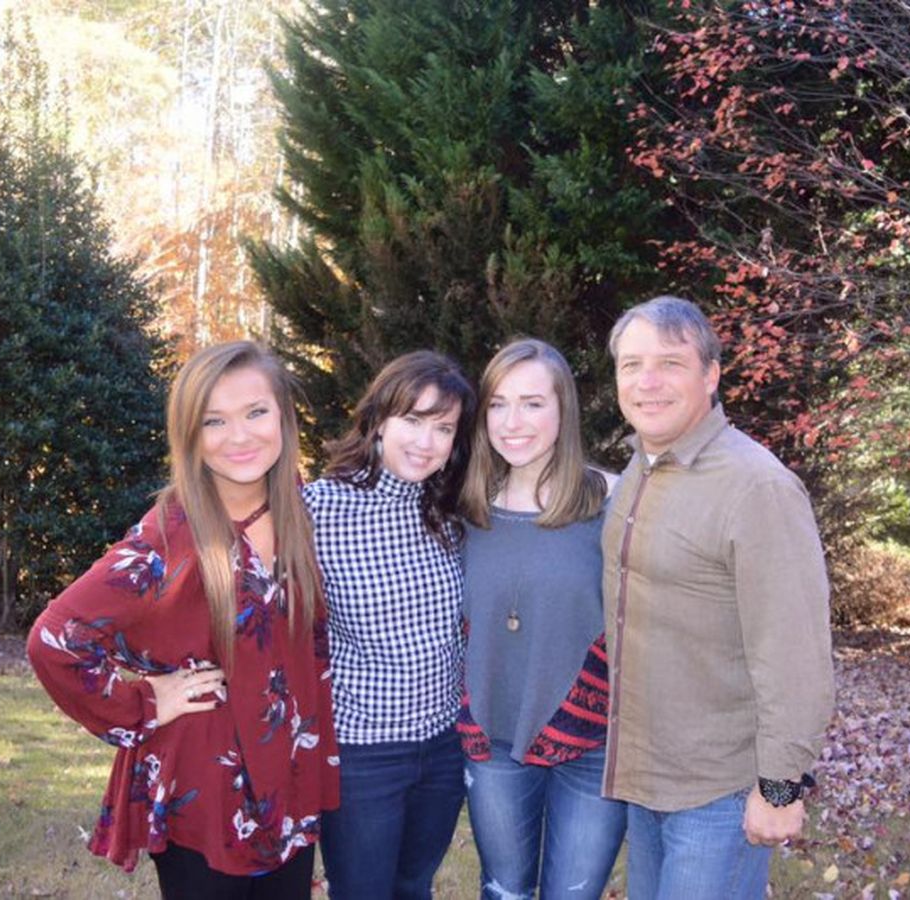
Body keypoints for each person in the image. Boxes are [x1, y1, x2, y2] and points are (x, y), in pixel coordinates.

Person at [27, 341, 338, 899]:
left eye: (256, 412)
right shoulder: (169, 536)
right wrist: (145, 702)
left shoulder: (299, 507)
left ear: (284, 417)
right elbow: (55, 640)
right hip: (205, 789)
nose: (239, 436)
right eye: (214, 421)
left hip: (288, 779)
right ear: (190, 434)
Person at [601, 296, 835, 899]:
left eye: (670, 363)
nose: (647, 381)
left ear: (710, 375)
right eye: (631, 365)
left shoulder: (757, 487)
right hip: (645, 783)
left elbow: (795, 655)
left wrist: (779, 788)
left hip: (718, 795)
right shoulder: (637, 473)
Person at [456, 338, 627, 899]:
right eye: (498, 404)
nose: (513, 423)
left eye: (532, 403)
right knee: (504, 890)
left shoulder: (613, 501)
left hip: (593, 741)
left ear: (563, 409)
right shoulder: (465, 505)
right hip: (494, 737)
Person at [303, 350, 476, 900]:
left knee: (413, 887)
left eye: (444, 428)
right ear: (378, 419)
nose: (427, 441)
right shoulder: (316, 510)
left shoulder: (451, 511)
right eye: (414, 420)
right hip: (363, 753)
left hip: (443, 748)